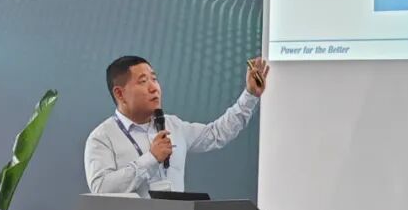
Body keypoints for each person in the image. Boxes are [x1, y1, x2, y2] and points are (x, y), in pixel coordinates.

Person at [84, 55, 269, 196]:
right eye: (143, 81)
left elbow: (217, 133)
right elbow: (100, 188)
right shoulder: (102, 138)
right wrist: (151, 159)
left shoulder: (173, 125)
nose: (154, 88)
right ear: (120, 94)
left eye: (154, 79)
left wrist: (250, 95)